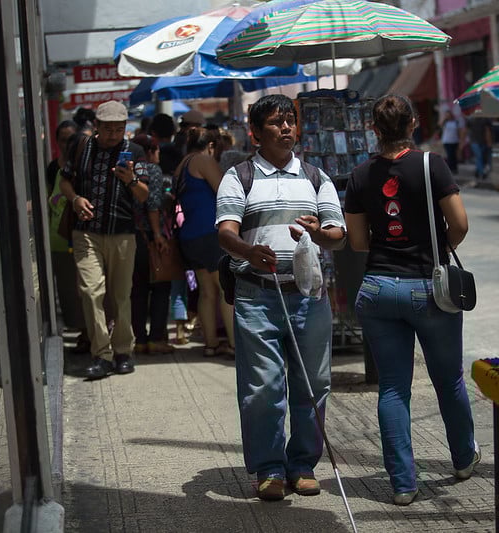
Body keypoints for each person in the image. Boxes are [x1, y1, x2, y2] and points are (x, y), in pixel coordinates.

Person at [344, 94, 479, 506]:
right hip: (428, 288)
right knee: (448, 379)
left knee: (392, 389)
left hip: (379, 288)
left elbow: (358, 241)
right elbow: (459, 224)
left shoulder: (360, 175)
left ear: (373, 128)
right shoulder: (431, 164)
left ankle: (403, 484)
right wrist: (437, 246)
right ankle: (462, 458)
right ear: (414, 123)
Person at [216, 94, 346, 501]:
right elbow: (224, 231)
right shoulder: (239, 177)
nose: (286, 127)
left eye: (290, 120)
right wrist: (248, 251)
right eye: (276, 122)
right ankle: (269, 468)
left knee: (313, 384)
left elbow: (337, 235)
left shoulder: (316, 177)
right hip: (257, 296)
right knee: (263, 388)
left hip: (309, 297)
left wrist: (319, 233)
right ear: (256, 132)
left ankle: (303, 463)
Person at [59, 100, 150, 380]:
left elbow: (145, 195)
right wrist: (75, 199)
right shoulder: (80, 147)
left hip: (122, 232)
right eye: (108, 129)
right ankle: (101, 354)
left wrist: (132, 180)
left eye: (119, 129)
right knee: (90, 291)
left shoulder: (134, 151)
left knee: (121, 295)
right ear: (96, 127)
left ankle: (123, 351)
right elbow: (65, 181)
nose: (113, 135)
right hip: (86, 232)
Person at [174, 127, 233, 357]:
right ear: (210, 146)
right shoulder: (202, 160)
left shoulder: (182, 165)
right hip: (210, 233)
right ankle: (234, 344)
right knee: (226, 290)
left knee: (206, 292)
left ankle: (210, 344)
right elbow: (225, 191)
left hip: (190, 236)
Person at [46, 122, 90, 354]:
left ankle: (88, 333)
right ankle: (81, 330)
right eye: (63, 139)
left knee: (88, 289)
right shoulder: (53, 169)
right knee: (69, 293)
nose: (68, 144)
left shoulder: (87, 169)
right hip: (59, 241)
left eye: (72, 138)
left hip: (85, 239)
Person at [130, 133, 173, 355]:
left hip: (131, 236)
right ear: (148, 152)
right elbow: (153, 205)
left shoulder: (127, 172)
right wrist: (158, 235)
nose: (158, 155)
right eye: (155, 150)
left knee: (137, 290)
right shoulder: (152, 171)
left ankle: (139, 339)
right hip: (149, 236)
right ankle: (156, 337)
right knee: (159, 287)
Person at [467, 115, 492, 181]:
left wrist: (488, 141)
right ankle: (482, 173)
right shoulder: (470, 119)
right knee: (479, 157)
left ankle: (477, 172)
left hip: (483, 141)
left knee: (482, 158)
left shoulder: (485, 120)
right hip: (474, 141)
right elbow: (466, 130)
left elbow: (487, 131)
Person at [440, 110, 462, 175]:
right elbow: (440, 125)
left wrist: (460, 140)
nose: (448, 116)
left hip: (455, 141)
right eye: (447, 115)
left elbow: (459, 132)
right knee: (450, 155)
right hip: (447, 141)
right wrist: (444, 119)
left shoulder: (455, 122)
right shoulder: (445, 122)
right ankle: (450, 169)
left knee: (454, 155)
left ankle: (455, 168)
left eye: (449, 114)